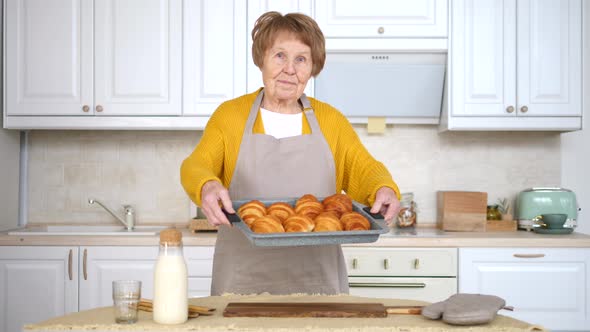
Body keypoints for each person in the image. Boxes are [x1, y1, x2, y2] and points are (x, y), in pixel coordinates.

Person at [180, 11, 400, 296]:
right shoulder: (230, 116)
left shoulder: (330, 120)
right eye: (280, 55)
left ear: (312, 68)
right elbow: (196, 164)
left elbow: (364, 168)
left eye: (301, 59)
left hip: (317, 281)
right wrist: (206, 185)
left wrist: (383, 187)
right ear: (262, 59)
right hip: (242, 281)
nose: (289, 69)